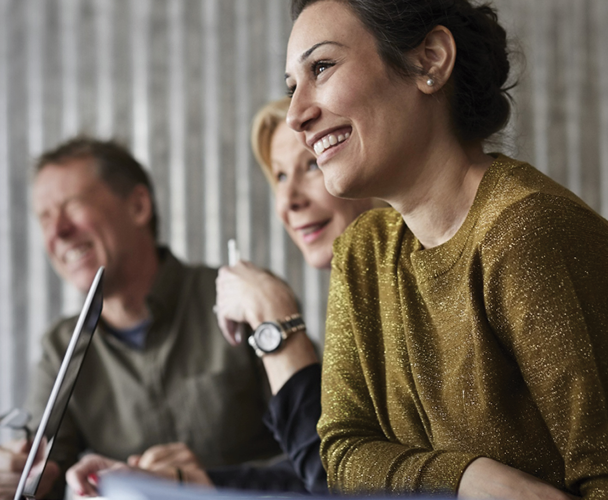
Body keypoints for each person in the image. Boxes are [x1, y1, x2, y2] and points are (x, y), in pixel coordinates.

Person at [285, 0, 608, 497]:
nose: (297, 115)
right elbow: (342, 452)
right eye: (291, 86)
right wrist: (469, 479)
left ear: (430, 60)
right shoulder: (364, 252)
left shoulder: (531, 231)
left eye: (322, 67)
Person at [65, 98, 375, 496]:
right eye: (279, 177)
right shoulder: (356, 303)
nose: (288, 200)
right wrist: (189, 482)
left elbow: (336, 483)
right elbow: (315, 470)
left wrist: (275, 322)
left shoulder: (399, 299)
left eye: (311, 165)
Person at [0, 137, 287, 499]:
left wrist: (205, 481)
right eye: (44, 217)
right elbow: (41, 478)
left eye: (72, 206)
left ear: (139, 206)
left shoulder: (244, 298)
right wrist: (0, 485)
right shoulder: (61, 347)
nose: (57, 231)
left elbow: (321, 458)